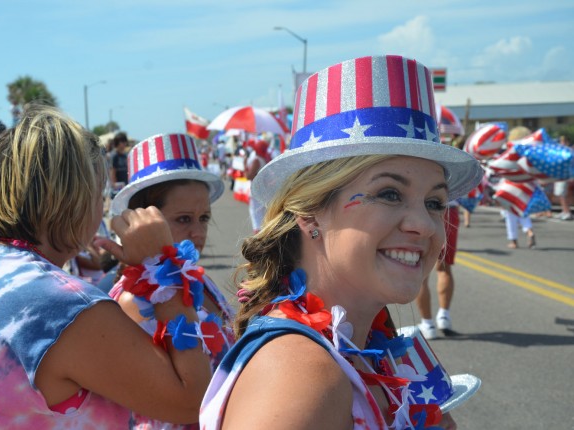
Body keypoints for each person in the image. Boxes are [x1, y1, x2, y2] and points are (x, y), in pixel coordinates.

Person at [200, 55, 483, 429]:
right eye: (389, 193)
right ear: (311, 211)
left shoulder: (362, 346)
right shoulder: (300, 375)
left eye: (434, 202)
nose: (425, 226)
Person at [0, 106, 213, 428]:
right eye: (98, 192)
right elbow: (194, 402)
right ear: (73, 196)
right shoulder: (63, 307)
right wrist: (163, 266)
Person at [108, 132, 235, 428]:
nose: (198, 233)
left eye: (203, 218)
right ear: (143, 221)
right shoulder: (133, 302)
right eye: (183, 219)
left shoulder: (196, 279)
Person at [416, 200, 461, 339]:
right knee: (444, 268)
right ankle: (444, 316)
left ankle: (427, 323)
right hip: (449, 210)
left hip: (424, 208)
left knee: (421, 272)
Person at [244, 139, 270, 233]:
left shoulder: (257, 160)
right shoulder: (266, 159)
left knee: (256, 217)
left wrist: (244, 166)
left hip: (256, 191)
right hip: (264, 190)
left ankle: (258, 239)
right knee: (262, 216)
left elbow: (249, 176)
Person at [554, 135, 572, 220]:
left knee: (562, 194)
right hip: (560, 175)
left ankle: (567, 212)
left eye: (563, 141)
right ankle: (564, 211)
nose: (561, 143)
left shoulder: (568, 152)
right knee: (559, 194)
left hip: (564, 175)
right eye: (561, 141)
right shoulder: (562, 151)